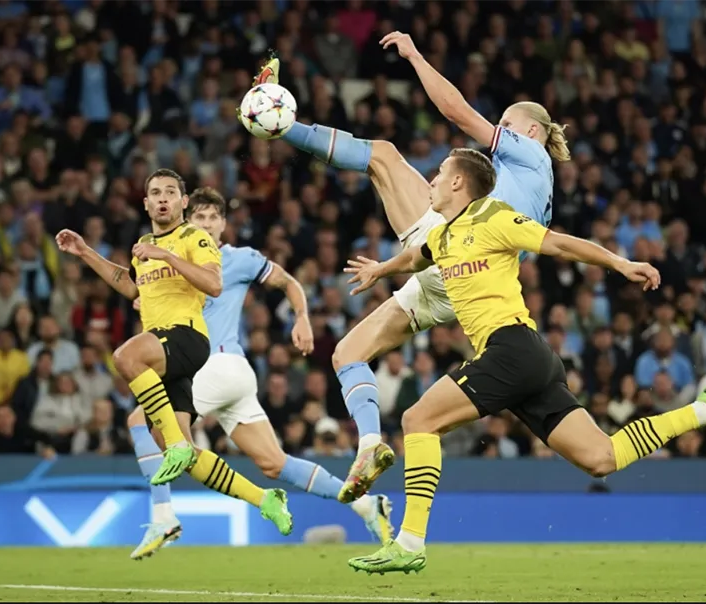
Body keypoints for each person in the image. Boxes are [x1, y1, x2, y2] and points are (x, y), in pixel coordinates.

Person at [343, 149, 706, 574]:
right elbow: (416, 257)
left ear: (458, 183)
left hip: (511, 348)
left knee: (418, 420)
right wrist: (381, 270)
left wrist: (620, 263)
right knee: (602, 458)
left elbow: (560, 244)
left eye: (439, 174)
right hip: (530, 360)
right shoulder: (445, 236)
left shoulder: (495, 217)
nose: (431, 181)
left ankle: (410, 542)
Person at [250, 35, 571, 502]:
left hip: (455, 253)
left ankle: (284, 127)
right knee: (347, 353)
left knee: (381, 154)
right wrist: (386, 269)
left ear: (534, 132)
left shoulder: (531, 153)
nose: (499, 129)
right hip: (457, 286)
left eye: (507, 124)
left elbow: (459, 113)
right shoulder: (538, 193)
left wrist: (417, 57)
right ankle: (369, 444)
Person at [128, 187, 394, 559]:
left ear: (223, 225)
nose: (205, 224)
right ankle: (367, 505)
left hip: (217, 365)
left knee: (142, 420)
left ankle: (163, 516)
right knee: (274, 463)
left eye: (212, 218)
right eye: (199, 218)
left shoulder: (237, 259)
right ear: (189, 221)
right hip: (230, 376)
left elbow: (288, 281)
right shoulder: (174, 261)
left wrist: (302, 317)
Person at [54, 168, 223, 485]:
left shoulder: (194, 237)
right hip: (163, 352)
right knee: (180, 448)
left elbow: (214, 284)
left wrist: (167, 256)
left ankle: (176, 448)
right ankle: (264, 498)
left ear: (184, 202)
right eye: (156, 193)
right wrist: (86, 252)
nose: (163, 198)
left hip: (186, 336)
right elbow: (132, 287)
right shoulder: (144, 243)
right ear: (146, 204)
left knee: (124, 357)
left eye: (170, 192)